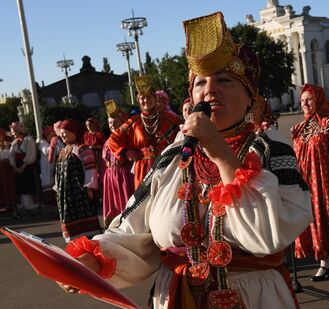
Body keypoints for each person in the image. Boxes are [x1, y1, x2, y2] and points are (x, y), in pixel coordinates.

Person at [61, 12, 312, 309]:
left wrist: (220, 152)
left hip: (254, 296)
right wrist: (91, 260)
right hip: (177, 297)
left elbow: (268, 235)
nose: (209, 89)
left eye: (223, 80)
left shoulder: (272, 149)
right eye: (200, 83)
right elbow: (132, 230)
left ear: (250, 96)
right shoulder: (173, 156)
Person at [293, 83, 329, 285]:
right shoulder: (302, 128)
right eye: (302, 101)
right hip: (308, 184)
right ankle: (324, 263)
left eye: (309, 99)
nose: (305, 104)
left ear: (318, 99)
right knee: (316, 223)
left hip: (327, 182)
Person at [107, 76, 181, 189]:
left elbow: (184, 131)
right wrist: (127, 153)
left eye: (149, 97)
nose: (146, 100)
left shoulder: (170, 118)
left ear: (155, 98)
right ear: (138, 100)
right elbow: (113, 139)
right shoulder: (132, 122)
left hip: (167, 165)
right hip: (143, 168)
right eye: (142, 97)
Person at [54, 119, 102, 242]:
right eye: (61, 132)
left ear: (74, 132)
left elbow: (90, 170)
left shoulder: (82, 149)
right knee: (71, 232)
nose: (62, 135)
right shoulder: (63, 151)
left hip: (80, 196)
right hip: (66, 197)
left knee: (88, 235)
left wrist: (89, 189)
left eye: (66, 132)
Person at [102, 107, 134, 227]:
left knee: (126, 205)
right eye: (110, 122)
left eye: (115, 121)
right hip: (111, 177)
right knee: (114, 207)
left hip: (124, 175)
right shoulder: (107, 141)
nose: (112, 124)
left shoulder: (127, 138)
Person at [9, 121, 38, 216]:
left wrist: (23, 166)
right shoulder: (15, 142)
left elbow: (31, 154)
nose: (12, 133)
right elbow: (11, 155)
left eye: (13, 131)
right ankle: (23, 207)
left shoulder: (29, 140)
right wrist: (15, 167)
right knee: (20, 187)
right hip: (18, 166)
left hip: (27, 166)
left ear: (19, 130)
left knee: (27, 186)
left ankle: (30, 207)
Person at [0, 128, 17, 217]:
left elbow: (12, 160)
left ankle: (13, 205)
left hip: (9, 168)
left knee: (10, 186)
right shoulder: (1, 150)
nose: (6, 142)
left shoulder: (11, 150)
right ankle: (7, 204)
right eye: (4, 141)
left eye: (7, 141)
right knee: (4, 187)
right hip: (2, 170)